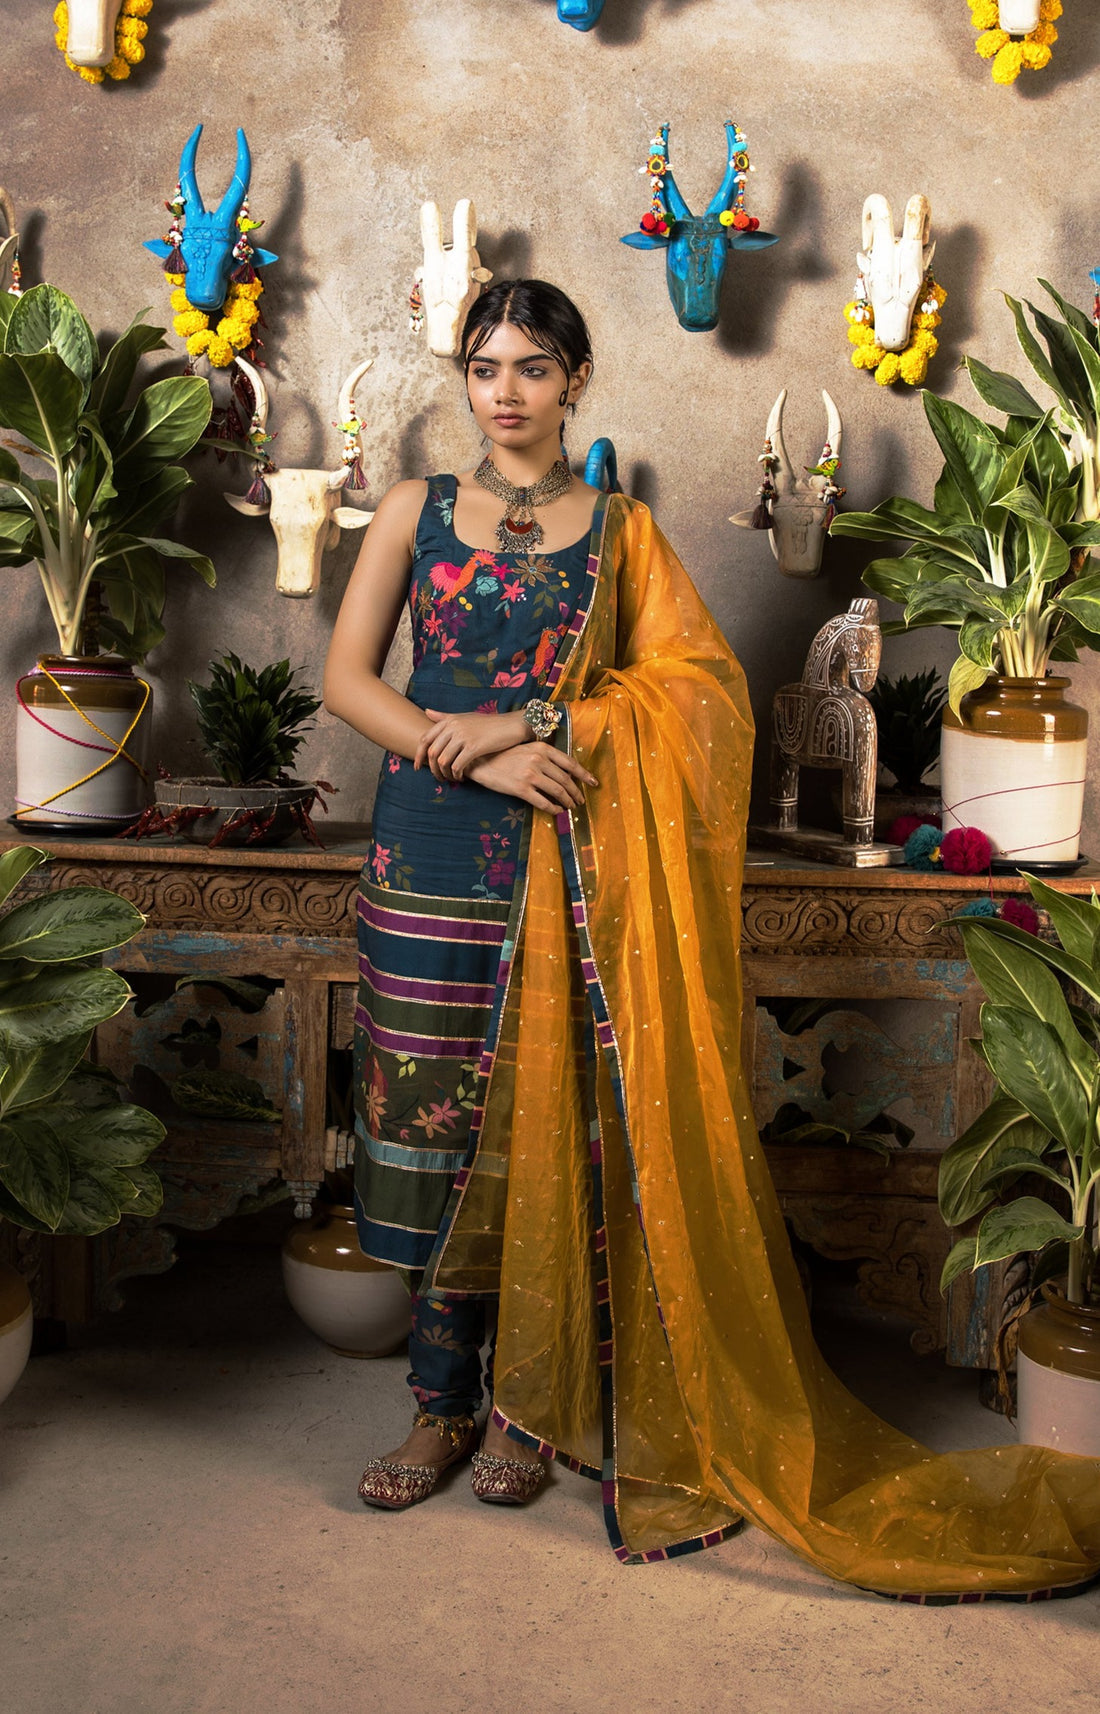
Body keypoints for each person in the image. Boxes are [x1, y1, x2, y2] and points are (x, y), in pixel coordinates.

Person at [325, 279, 1100, 1598]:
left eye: (531, 366)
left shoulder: (621, 534)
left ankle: (520, 1409)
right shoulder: (414, 508)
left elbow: (702, 693)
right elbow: (349, 681)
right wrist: (478, 755)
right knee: (437, 1126)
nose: (504, 391)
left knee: (544, 1122)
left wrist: (546, 728)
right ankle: (437, 1404)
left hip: (568, 861)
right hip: (430, 855)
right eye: (483, 366)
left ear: (576, 378)